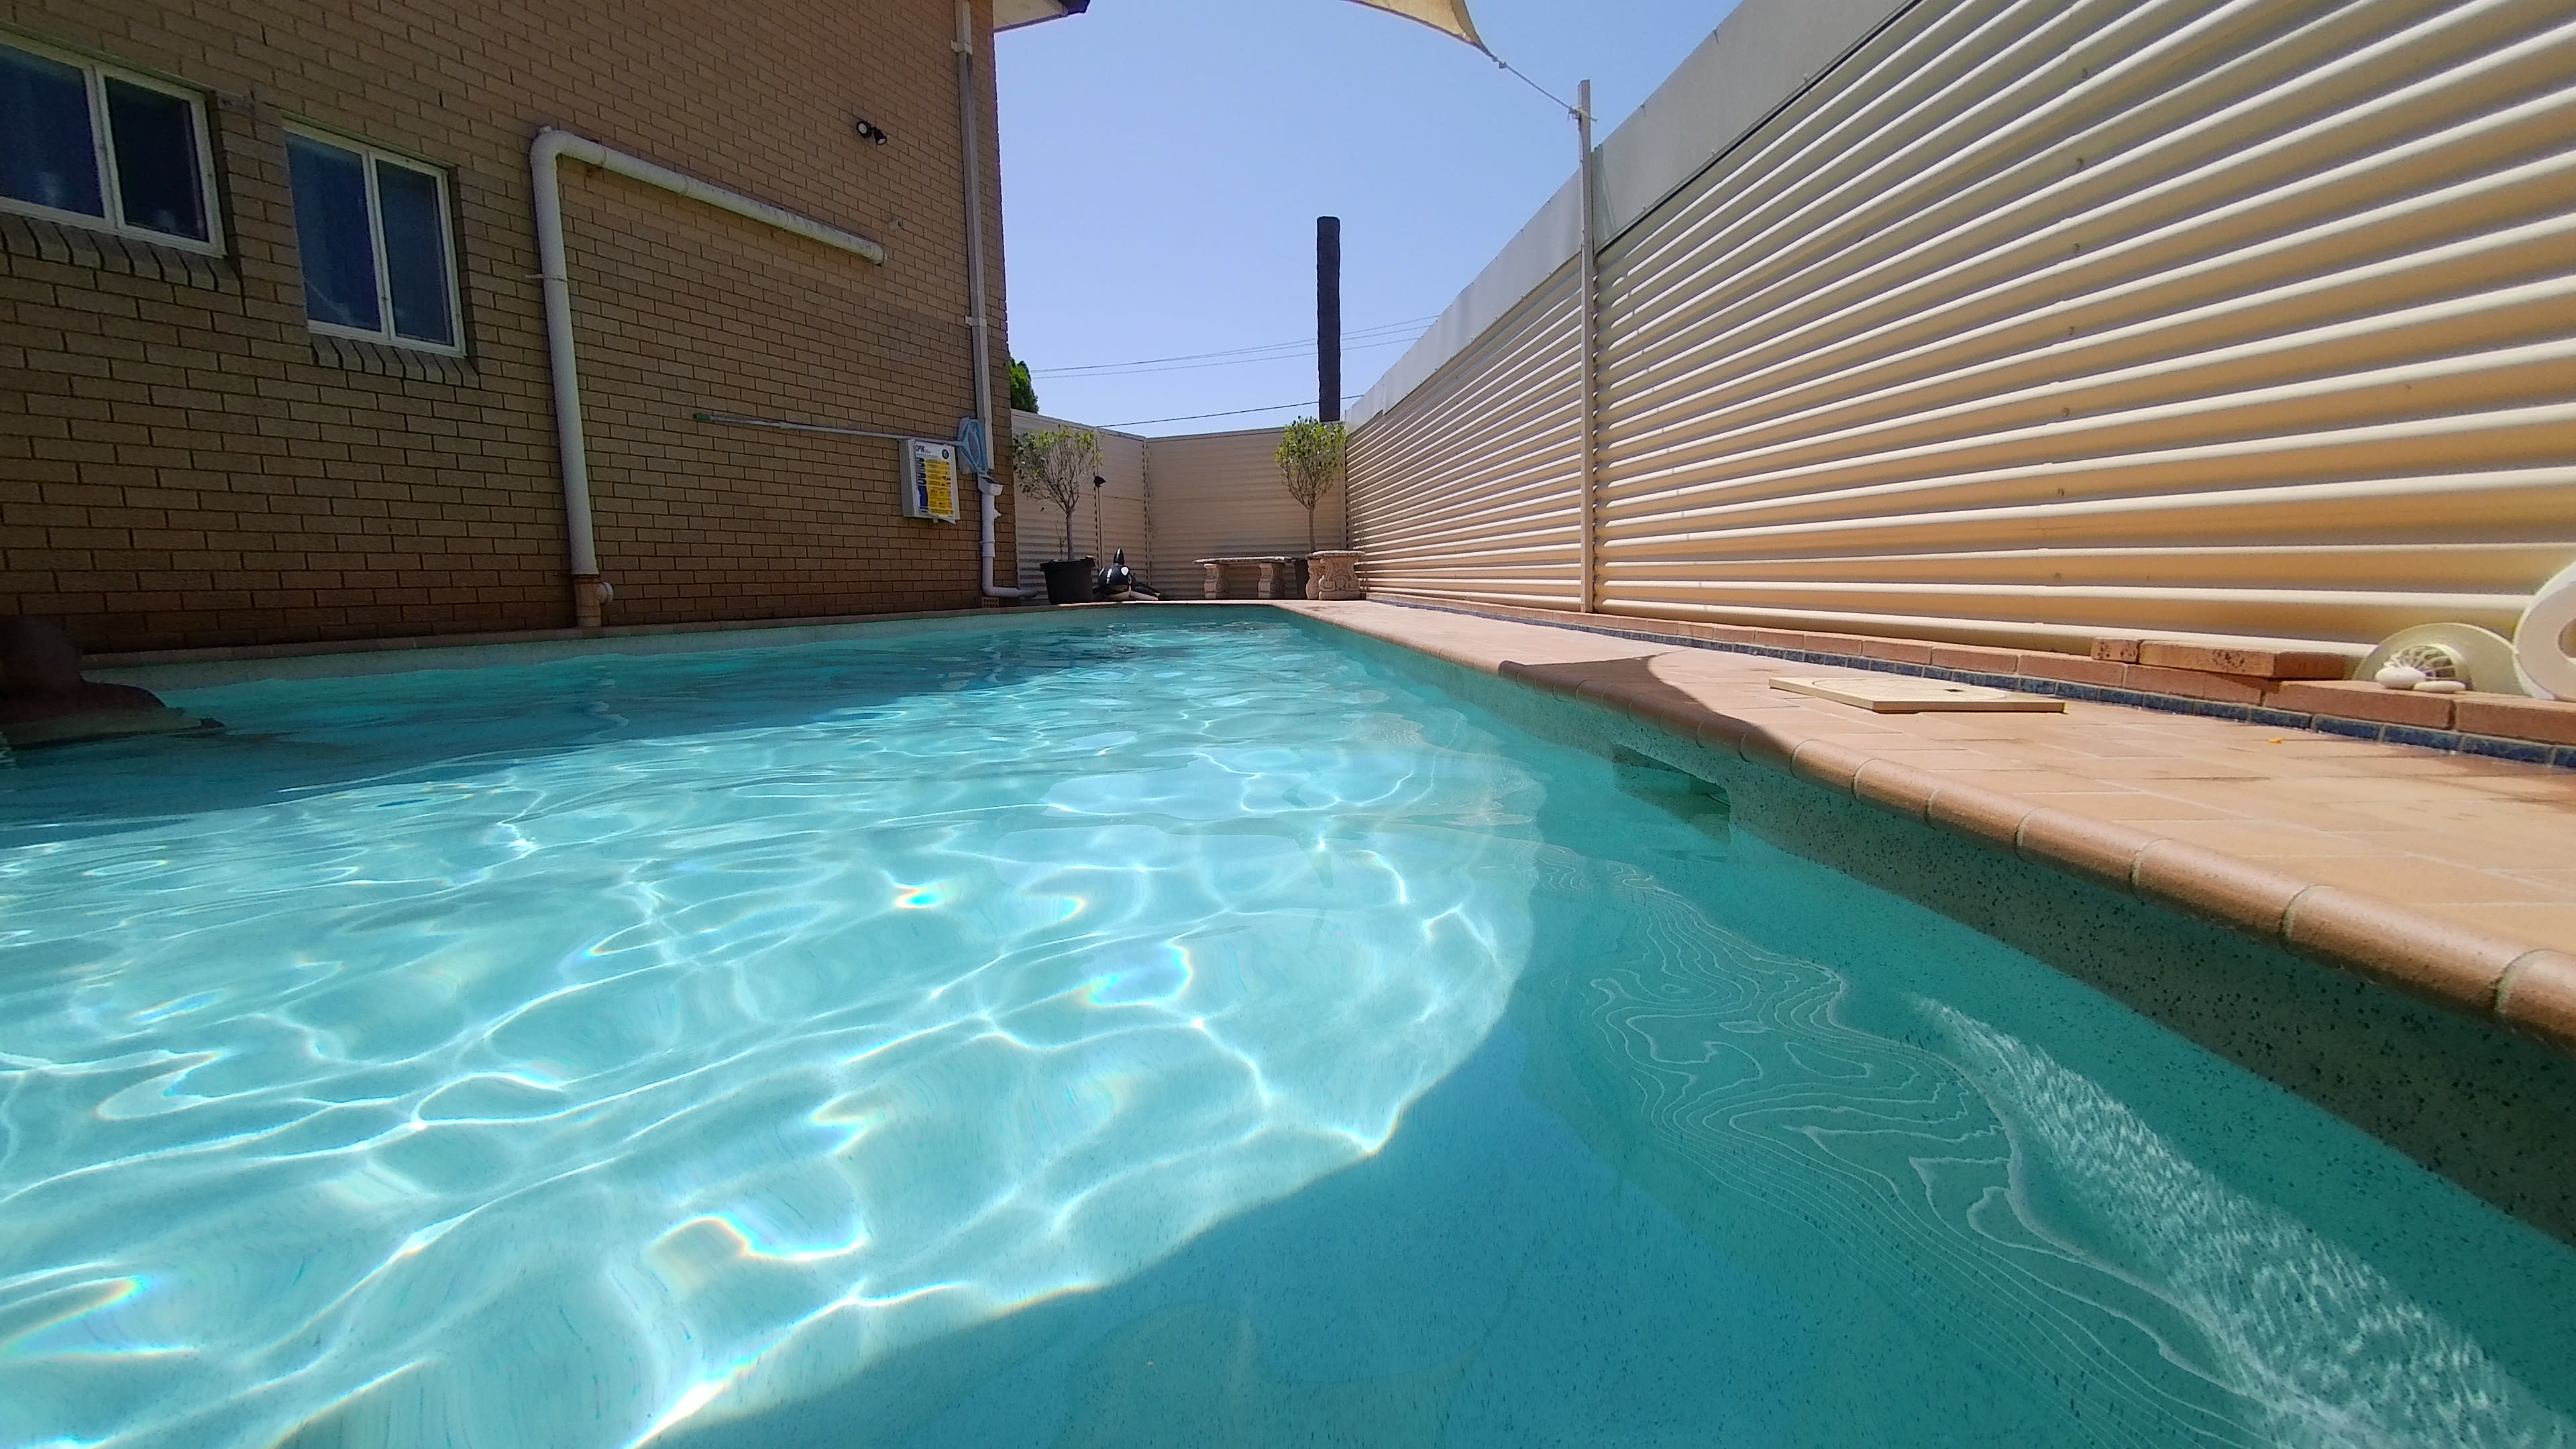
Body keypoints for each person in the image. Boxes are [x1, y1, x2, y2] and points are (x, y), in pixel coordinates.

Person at [0, 617, 172, 727]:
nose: (42, 663)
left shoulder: (132, 699)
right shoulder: (132, 699)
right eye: (29, 657)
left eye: (55, 655)